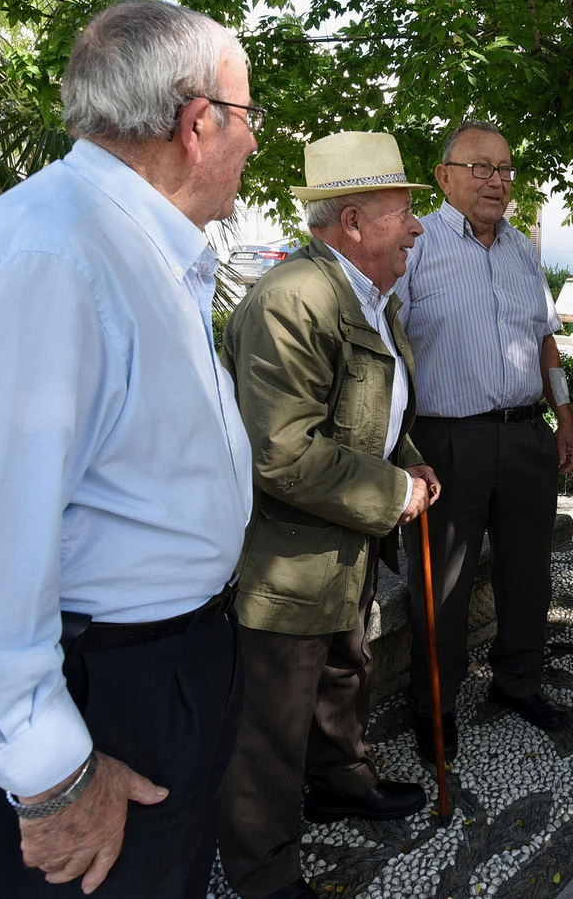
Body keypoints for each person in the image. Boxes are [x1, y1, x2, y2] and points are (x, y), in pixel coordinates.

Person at [0, 0, 259, 898]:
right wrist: (53, 773)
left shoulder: (119, 242)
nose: (257, 143)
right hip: (98, 699)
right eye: (251, 118)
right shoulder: (52, 262)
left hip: (153, 673)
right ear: (199, 124)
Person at [217, 132, 440, 899]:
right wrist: (391, 495)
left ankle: (341, 781)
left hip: (343, 545)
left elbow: (372, 409)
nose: (417, 227)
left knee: (345, 670)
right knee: (271, 727)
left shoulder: (367, 294)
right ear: (352, 221)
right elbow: (279, 453)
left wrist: (406, 459)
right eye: (405, 212)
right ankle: (265, 872)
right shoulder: (289, 302)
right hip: (288, 557)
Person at [396, 120, 573, 763]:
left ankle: (518, 682)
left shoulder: (522, 251)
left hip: (526, 435)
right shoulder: (416, 244)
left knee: (528, 572)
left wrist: (564, 413)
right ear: (445, 176)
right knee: (440, 585)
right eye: (479, 167)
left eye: (504, 168)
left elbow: (545, 341)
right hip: (447, 444)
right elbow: (386, 344)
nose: (495, 180)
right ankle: (436, 707)